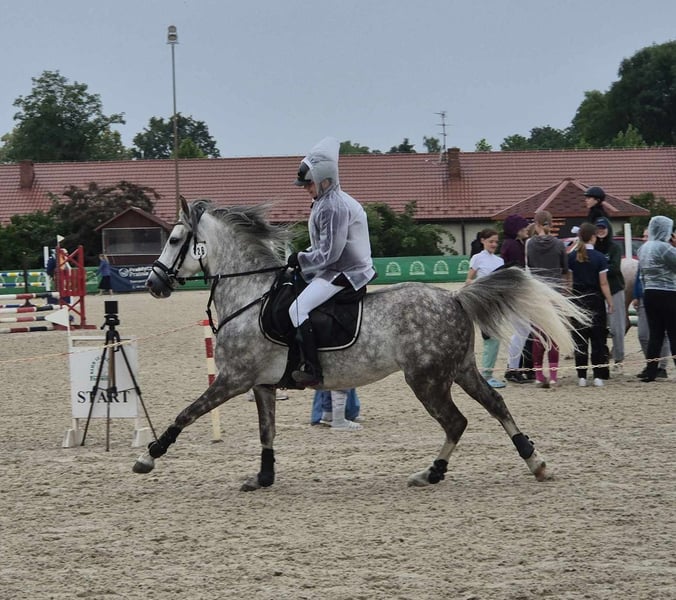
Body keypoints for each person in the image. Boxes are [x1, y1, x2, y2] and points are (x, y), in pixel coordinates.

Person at [288, 136, 375, 390]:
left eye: (309, 184)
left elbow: (329, 255)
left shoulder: (333, 207)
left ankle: (312, 369)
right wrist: (300, 257)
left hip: (346, 272)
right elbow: (322, 244)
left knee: (297, 309)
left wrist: (300, 259)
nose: (306, 188)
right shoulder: (323, 201)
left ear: (325, 180)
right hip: (336, 267)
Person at [525, 210, 571, 388]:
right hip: (555, 292)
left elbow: (529, 267)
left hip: (537, 292)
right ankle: (553, 376)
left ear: (536, 224)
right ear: (551, 224)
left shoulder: (529, 244)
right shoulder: (559, 244)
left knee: (538, 336)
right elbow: (565, 269)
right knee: (553, 335)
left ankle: (538, 375)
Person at [568, 222, 614, 387]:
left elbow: (569, 284)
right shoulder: (600, 258)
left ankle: (581, 376)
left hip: (577, 300)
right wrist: (610, 301)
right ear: (593, 237)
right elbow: (604, 283)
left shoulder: (571, 257)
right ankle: (598, 376)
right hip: (595, 300)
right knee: (598, 339)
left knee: (580, 339)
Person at [636, 215, 676, 382]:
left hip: (649, 293)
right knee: (673, 333)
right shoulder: (665, 248)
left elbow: (642, 274)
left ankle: (651, 371)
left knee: (655, 334)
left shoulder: (643, 248)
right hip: (668, 292)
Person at [465, 228, 506, 388]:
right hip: (483, 302)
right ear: (483, 241)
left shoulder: (500, 261)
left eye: (496, 242)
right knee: (491, 338)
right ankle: (486, 375)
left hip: (496, 303)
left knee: (494, 340)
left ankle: (487, 374)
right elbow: (468, 281)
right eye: (491, 241)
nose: (494, 244)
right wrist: (484, 285)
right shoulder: (477, 258)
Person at [500, 214, 533, 384]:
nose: (526, 229)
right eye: (523, 227)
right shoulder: (513, 246)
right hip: (515, 292)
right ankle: (512, 369)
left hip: (515, 291)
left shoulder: (515, 244)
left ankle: (513, 367)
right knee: (521, 331)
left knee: (522, 331)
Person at [594, 217, 626, 373]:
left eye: (603, 228)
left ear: (608, 229)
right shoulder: (593, 247)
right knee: (600, 327)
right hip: (597, 291)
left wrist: (599, 268)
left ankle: (619, 359)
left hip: (614, 289)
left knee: (616, 327)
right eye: (598, 228)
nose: (601, 231)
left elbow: (615, 268)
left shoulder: (614, 247)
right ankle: (603, 357)